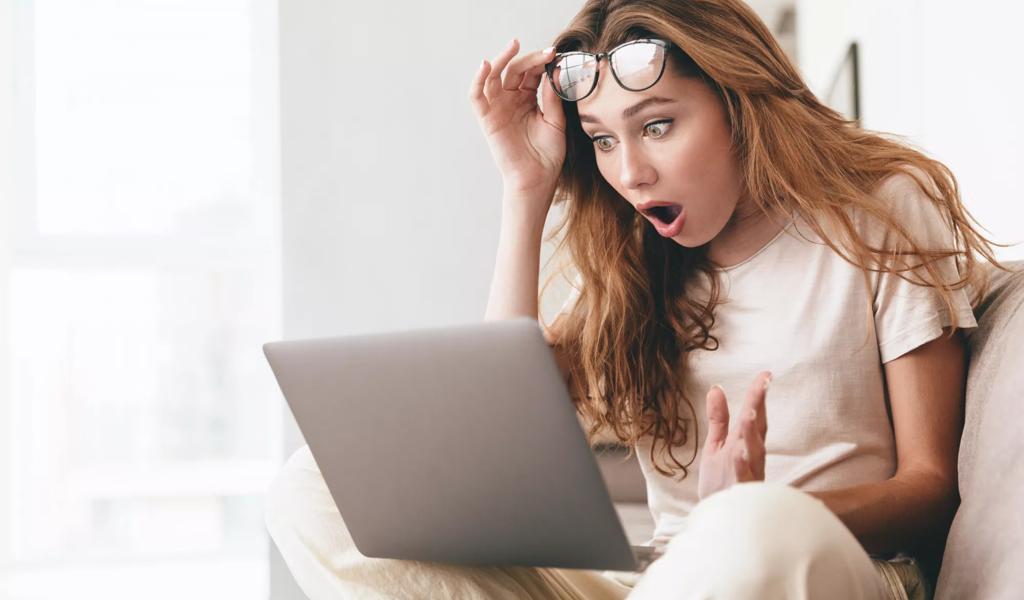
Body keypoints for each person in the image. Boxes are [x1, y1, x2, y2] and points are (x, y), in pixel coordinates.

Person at [266, 0, 1012, 598]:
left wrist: (747, 515)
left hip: (829, 568)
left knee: (753, 540)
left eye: (657, 125)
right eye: (602, 139)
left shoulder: (880, 207)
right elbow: (501, 440)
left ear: (737, 102)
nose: (632, 173)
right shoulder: (636, 262)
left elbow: (928, 488)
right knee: (312, 487)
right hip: (666, 582)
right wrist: (525, 191)